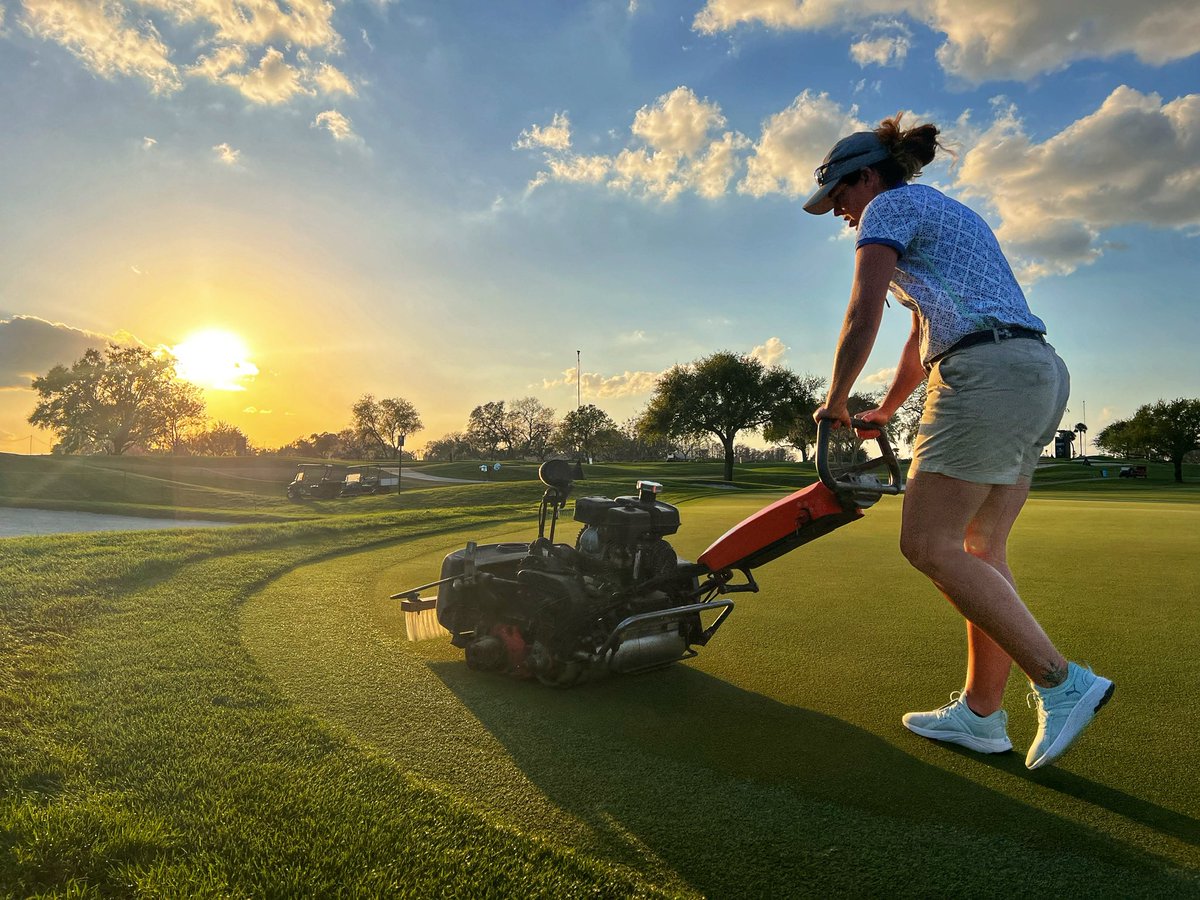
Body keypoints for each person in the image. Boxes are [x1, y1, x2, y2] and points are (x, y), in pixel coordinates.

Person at [806, 115, 1113, 770]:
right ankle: (980, 716)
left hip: (984, 375)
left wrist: (834, 402)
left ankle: (1062, 682)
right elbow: (920, 338)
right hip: (1034, 369)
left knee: (927, 543)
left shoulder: (888, 206)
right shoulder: (947, 213)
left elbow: (861, 313)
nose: (840, 213)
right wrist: (886, 410)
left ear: (866, 176)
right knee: (980, 545)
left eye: (839, 196)